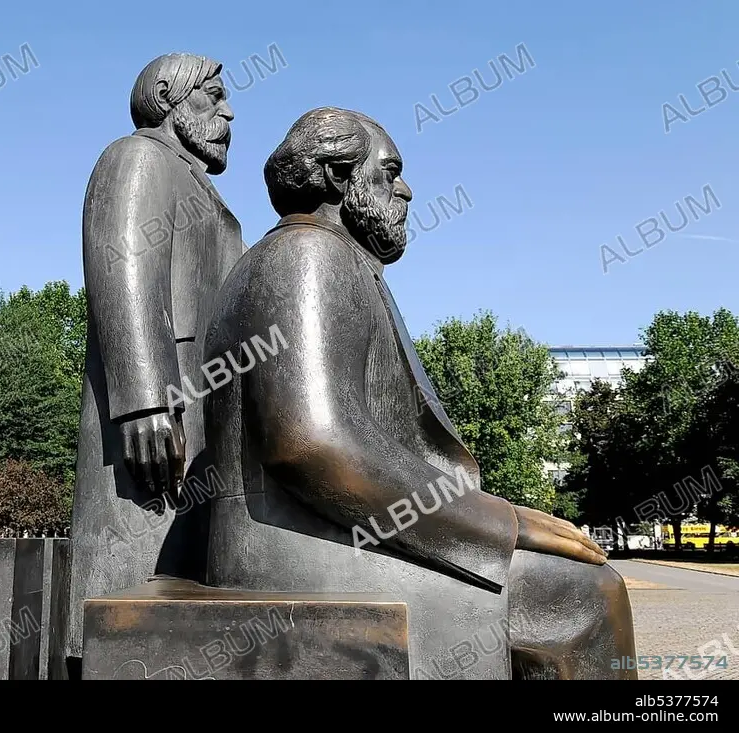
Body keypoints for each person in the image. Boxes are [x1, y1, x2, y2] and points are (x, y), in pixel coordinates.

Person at [199, 107, 637, 679]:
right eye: (390, 171)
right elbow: (311, 442)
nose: (405, 190)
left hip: (314, 530)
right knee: (584, 595)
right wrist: (502, 523)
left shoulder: (317, 257)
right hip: (294, 545)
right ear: (338, 175)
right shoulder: (308, 254)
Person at [65, 53, 245, 672]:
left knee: (182, 572)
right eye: (214, 96)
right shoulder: (136, 157)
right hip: (158, 414)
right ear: (168, 96)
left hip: (200, 406)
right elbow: (122, 272)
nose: (228, 113)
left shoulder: (199, 186)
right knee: (133, 568)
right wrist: (143, 399)